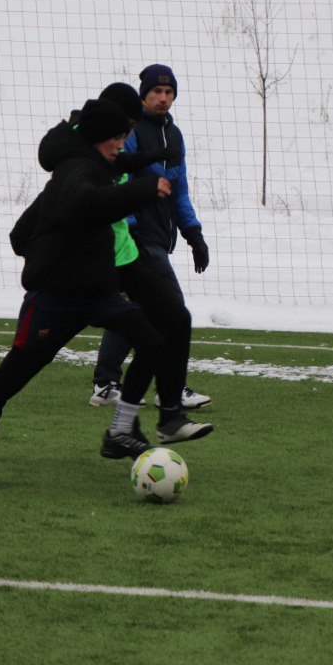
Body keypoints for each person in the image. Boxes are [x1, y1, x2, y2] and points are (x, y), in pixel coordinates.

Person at [0, 97, 172, 485]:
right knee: (19, 369)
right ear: (101, 137)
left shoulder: (94, 165)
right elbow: (85, 204)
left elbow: (24, 233)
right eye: (119, 136)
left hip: (97, 292)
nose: (123, 144)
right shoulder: (78, 172)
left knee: (150, 341)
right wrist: (145, 190)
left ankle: (120, 430)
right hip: (56, 297)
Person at [91, 64, 212, 412]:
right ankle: (169, 390)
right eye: (157, 92)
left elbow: (180, 190)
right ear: (143, 93)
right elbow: (120, 179)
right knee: (172, 309)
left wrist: (193, 233)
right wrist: (127, 226)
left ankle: (105, 383)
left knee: (134, 308)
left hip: (158, 236)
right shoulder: (130, 130)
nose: (163, 98)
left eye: (169, 92)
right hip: (137, 236)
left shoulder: (173, 135)